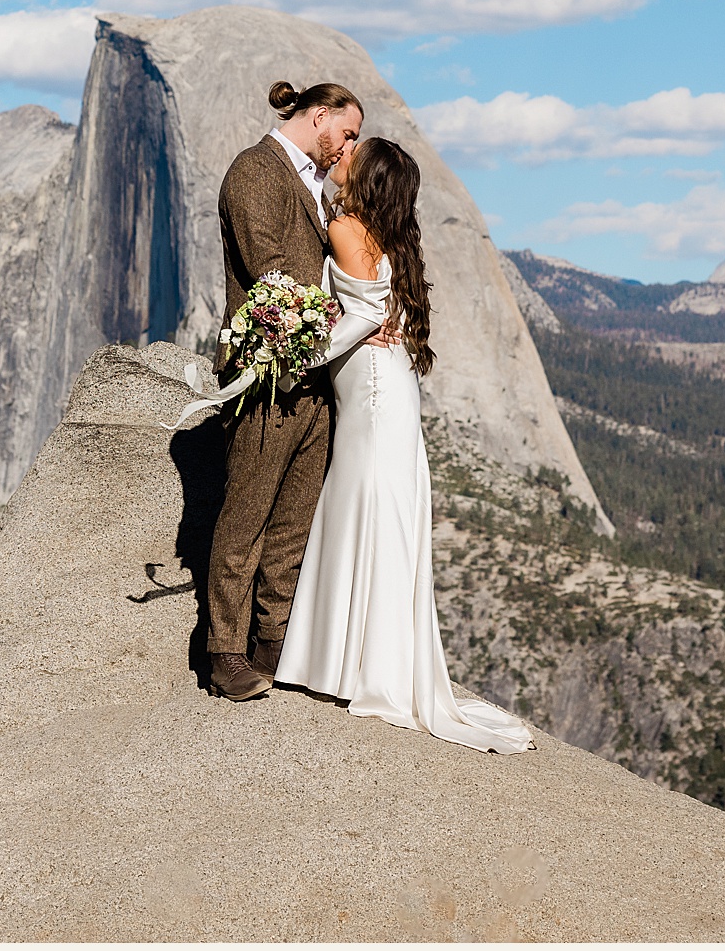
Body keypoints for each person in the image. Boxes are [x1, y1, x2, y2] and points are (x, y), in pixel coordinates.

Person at [273, 135, 534, 754]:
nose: (342, 154)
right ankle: (360, 662)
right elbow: (378, 309)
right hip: (386, 387)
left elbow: (362, 317)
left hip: (369, 388)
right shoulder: (383, 233)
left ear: (365, 179)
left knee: (361, 506)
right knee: (373, 510)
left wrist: (297, 359)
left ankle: (354, 666)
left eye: (352, 157)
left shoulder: (345, 227)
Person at [202, 79, 364, 702]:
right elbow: (269, 268)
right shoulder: (254, 170)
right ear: (318, 116)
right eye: (345, 133)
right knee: (245, 516)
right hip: (264, 376)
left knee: (294, 521)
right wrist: (346, 315)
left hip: (314, 378)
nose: (345, 148)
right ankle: (224, 653)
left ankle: (275, 641)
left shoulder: (319, 185)